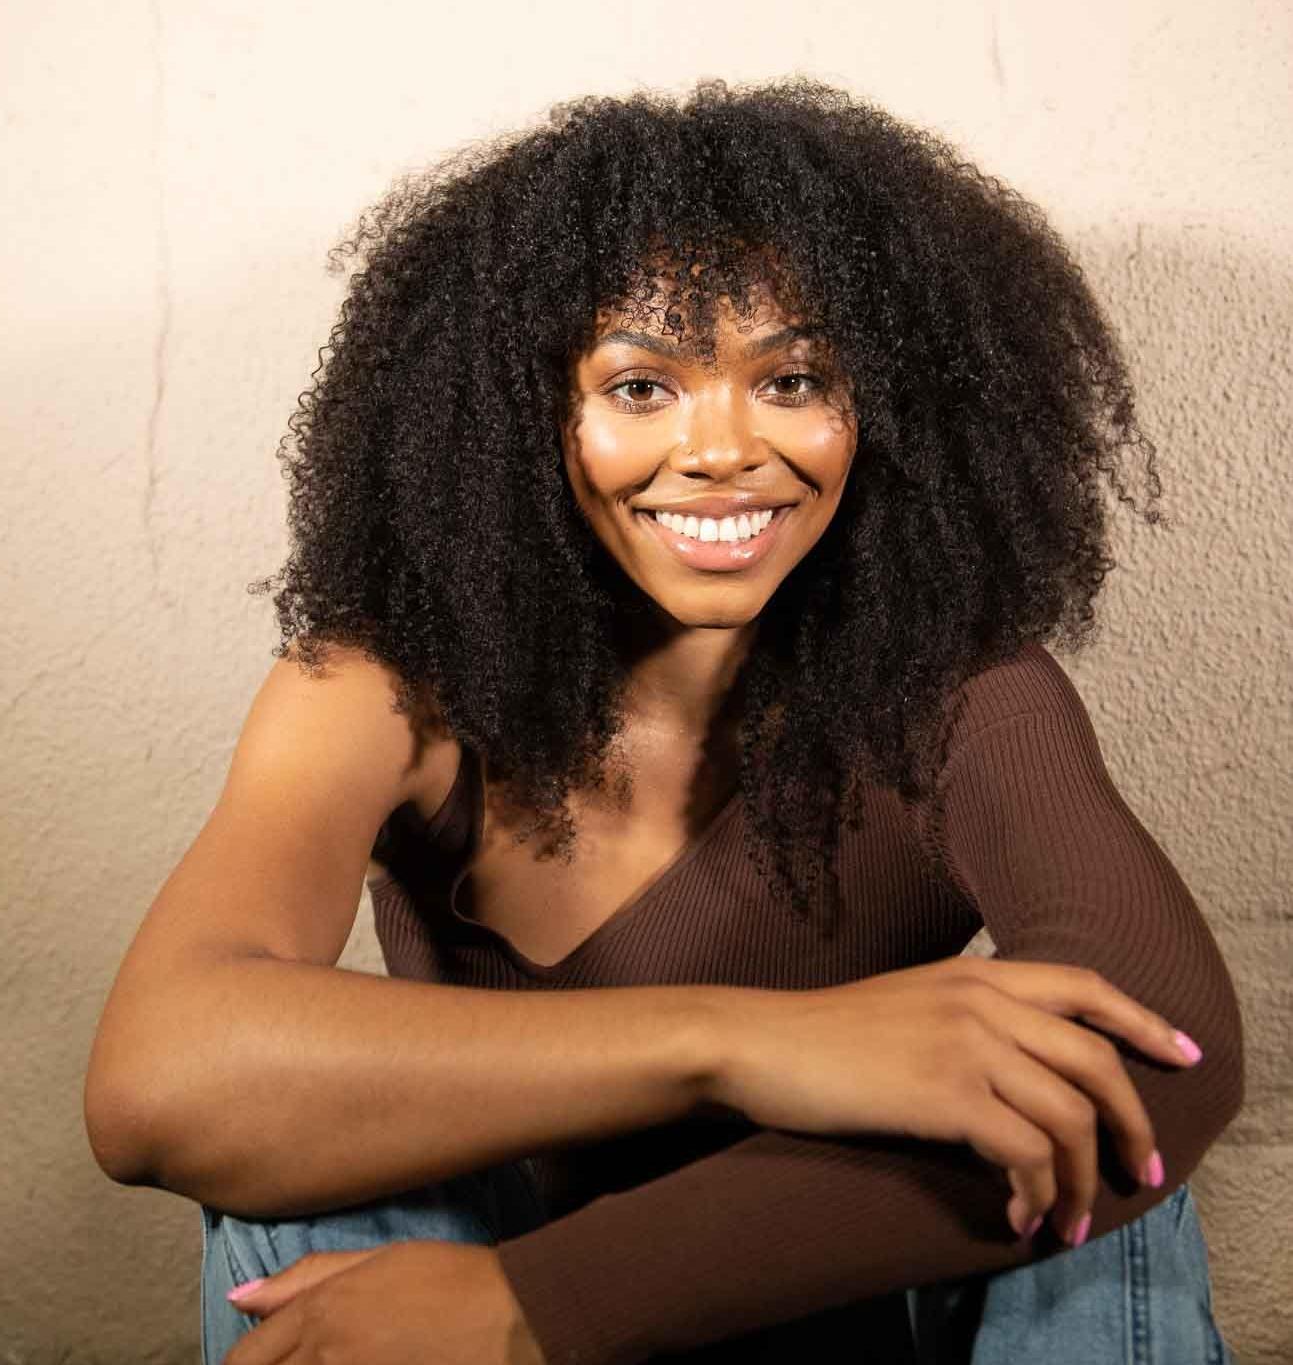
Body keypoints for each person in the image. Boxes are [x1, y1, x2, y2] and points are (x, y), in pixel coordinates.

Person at [84, 76, 1245, 1364]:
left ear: (886, 409)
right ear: (526, 419)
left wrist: (546, 1306)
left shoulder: (961, 693)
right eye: (642, 388)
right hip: (467, 1327)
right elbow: (156, 1085)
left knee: (1091, 1127)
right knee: (298, 1147)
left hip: (815, 1301)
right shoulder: (386, 689)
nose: (723, 450)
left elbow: (1170, 1059)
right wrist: (740, 1045)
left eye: (792, 377)